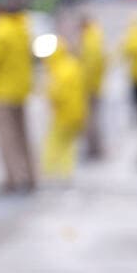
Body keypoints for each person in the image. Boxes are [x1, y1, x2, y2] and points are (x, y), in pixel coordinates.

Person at [0, 2, 37, 193]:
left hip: (2, 91)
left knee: (8, 138)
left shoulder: (1, 29)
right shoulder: (23, 27)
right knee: (23, 136)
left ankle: (14, 179)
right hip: (21, 89)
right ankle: (30, 175)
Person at [41, 34, 88, 180]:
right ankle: (66, 172)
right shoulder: (73, 64)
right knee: (68, 147)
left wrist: (47, 92)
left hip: (63, 115)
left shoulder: (59, 70)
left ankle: (50, 173)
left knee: (53, 144)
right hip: (77, 113)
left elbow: (57, 93)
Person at [80, 15, 109, 161]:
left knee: (91, 119)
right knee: (94, 118)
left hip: (90, 86)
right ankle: (96, 149)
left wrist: (86, 83)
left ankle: (94, 150)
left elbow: (92, 64)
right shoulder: (96, 36)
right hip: (96, 84)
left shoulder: (90, 38)